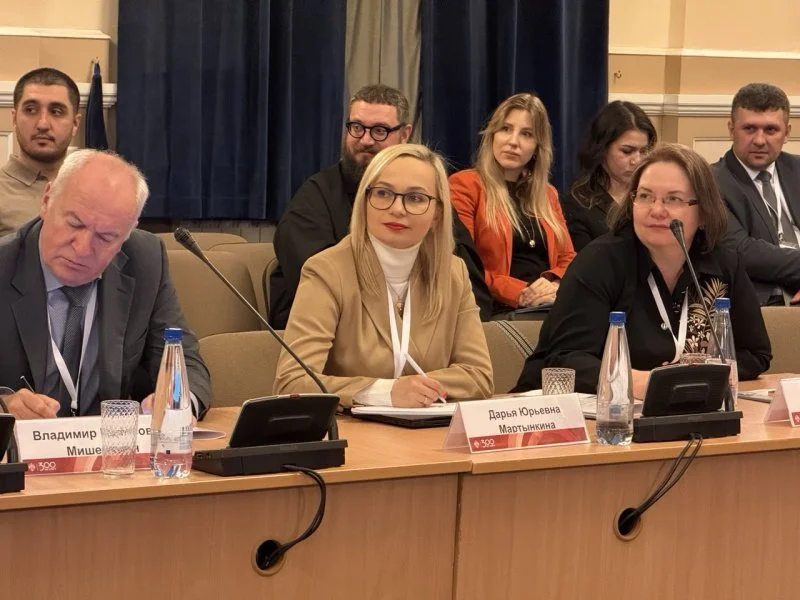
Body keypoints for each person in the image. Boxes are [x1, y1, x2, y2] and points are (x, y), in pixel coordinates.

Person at [514, 144, 771, 397]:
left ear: (704, 211)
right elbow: (565, 359)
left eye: (673, 199)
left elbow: (755, 354)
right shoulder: (600, 262)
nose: (656, 210)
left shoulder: (723, 264)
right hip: (572, 411)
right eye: (645, 196)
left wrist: (694, 377)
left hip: (679, 406)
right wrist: (636, 382)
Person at [273, 144, 493, 408]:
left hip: (430, 428)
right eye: (383, 193)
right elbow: (292, 382)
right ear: (364, 202)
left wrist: (416, 391)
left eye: (415, 198)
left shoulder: (453, 272)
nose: (397, 209)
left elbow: (479, 376)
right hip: (353, 429)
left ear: (437, 214)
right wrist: (384, 392)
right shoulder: (327, 271)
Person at [0, 150, 211, 420]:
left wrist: (178, 400)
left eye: (106, 237)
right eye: (74, 224)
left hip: (110, 442)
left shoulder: (145, 260)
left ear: (128, 231)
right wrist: (4, 406)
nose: (83, 248)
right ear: (46, 200)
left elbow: (184, 359)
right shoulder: (5, 265)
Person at [270, 84, 493, 328]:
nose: (365, 140)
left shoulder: (428, 199)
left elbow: (473, 295)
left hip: (426, 333)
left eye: (379, 131)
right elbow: (320, 290)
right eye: (357, 128)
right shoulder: (314, 199)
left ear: (405, 134)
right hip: (336, 334)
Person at [450, 93, 575, 316]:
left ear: (537, 146)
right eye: (506, 129)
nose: (513, 141)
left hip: (549, 305)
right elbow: (465, 266)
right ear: (492, 135)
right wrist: (521, 293)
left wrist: (554, 283)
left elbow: (568, 258)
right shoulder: (465, 186)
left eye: (526, 134)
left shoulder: (548, 194)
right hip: (495, 308)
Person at [713, 83, 800, 306]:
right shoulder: (711, 181)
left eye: (771, 130)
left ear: (787, 132)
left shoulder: (797, 169)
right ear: (731, 129)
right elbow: (741, 251)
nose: (760, 140)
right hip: (763, 303)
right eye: (749, 129)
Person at [561, 101, 657, 251]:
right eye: (627, 151)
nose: (637, 160)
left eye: (644, 151)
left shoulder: (656, 196)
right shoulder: (577, 204)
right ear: (602, 149)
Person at [0, 68, 81, 237]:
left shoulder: (94, 188)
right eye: (30, 110)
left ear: (75, 124)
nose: (43, 124)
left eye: (56, 112)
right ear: (14, 119)